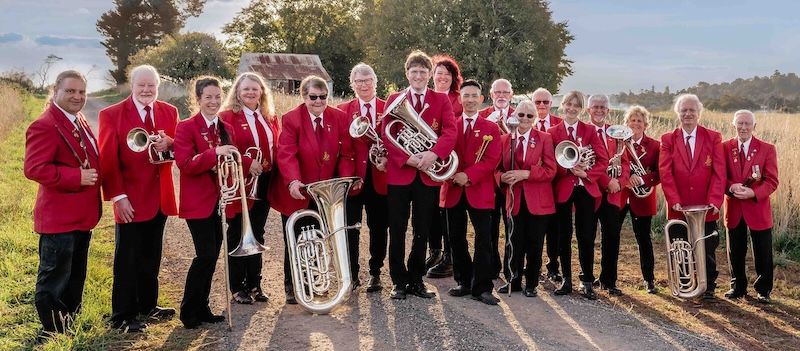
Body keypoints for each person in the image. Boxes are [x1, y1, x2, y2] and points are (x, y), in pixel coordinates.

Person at [98, 65, 178, 332]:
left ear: (158, 86)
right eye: (141, 85)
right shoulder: (111, 114)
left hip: (159, 197)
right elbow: (108, 161)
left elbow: (174, 153)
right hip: (129, 198)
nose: (146, 90)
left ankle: (148, 306)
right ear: (132, 86)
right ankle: (123, 315)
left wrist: (170, 146)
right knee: (127, 258)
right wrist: (118, 197)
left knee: (151, 255)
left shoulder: (170, 111)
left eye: (151, 86)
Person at [24, 70, 101, 337]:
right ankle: (52, 331)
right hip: (59, 218)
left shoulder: (77, 119)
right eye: (70, 91)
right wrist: (76, 176)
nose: (77, 96)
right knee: (54, 279)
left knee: (74, 277)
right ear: (56, 91)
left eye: (81, 92)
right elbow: (34, 168)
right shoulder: (44, 124)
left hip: (82, 216)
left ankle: (69, 324)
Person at [268, 75, 355, 304]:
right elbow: (286, 153)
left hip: (325, 191)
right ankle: (293, 286)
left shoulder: (339, 117)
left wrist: (343, 182)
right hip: (297, 190)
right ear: (304, 96)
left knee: (319, 238)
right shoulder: (291, 119)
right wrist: (293, 181)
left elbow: (346, 154)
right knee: (296, 241)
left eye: (323, 97)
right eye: (313, 97)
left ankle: (316, 282)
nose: (319, 101)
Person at [382, 50, 457, 300]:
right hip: (400, 174)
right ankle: (398, 282)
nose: (418, 76)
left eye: (423, 72)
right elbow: (387, 133)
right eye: (414, 72)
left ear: (429, 75)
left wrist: (434, 154)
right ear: (407, 73)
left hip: (427, 175)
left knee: (422, 229)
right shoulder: (394, 98)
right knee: (398, 229)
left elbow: (450, 131)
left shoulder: (440, 100)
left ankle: (416, 280)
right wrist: (408, 158)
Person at [173, 76, 234, 328]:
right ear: (197, 99)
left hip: (220, 202)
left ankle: (203, 307)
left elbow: (229, 162)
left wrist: (229, 163)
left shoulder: (224, 126)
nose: (214, 101)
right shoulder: (186, 127)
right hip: (198, 203)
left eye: (218, 96)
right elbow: (185, 164)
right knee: (205, 255)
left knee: (212, 257)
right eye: (208, 97)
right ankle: (188, 311)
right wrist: (214, 153)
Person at [219, 72, 280, 304]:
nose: (251, 92)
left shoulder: (270, 116)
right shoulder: (227, 116)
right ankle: (237, 286)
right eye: (246, 89)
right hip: (240, 181)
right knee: (237, 231)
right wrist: (246, 163)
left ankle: (255, 283)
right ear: (237, 91)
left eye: (255, 89)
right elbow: (224, 146)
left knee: (256, 231)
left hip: (265, 179)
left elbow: (277, 145)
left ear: (262, 92)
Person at [440, 80, 502, 305]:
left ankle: (482, 287)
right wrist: (452, 175)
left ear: (481, 99)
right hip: (453, 189)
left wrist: (469, 176)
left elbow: (492, 159)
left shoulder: (491, 128)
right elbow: (442, 155)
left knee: (484, 240)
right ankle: (464, 281)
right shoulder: (450, 126)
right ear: (460, 99)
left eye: (474, 95)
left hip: (480, 190)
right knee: (456, 239)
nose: (470, 100)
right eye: (466, 95)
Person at [659, 93, 725, 300]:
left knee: (707, 249)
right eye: (684, 110)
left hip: (705, 206)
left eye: (692, 110)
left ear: (699, 113)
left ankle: (709, 287)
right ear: (678, 113)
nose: (688, 114)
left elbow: (719, 173)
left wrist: (715, 201)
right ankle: (685, 283)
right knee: (681, 247)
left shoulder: (713, 137)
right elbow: (665, 172)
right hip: (679, 206)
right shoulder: (668, 139)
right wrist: (673, 199)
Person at [547, 90, 609, 300]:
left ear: (581, 109)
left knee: (586, 236)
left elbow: (603, 160)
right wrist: (568, 170)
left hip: (586, 187)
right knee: (563, 235)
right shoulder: (553, 132)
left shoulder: (589, 130)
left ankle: (587, 281)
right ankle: (566, 279)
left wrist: (586, 173)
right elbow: (551, 162)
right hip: (564, 188)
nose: (572, 109)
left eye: (576, 106)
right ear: (562, 105)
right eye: (568, 104)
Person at [496, 101, 557, 297]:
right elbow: (495, 169)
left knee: (534, 243)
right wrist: (501, 177)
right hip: (513, 199)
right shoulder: (505, 139)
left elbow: (551, 170)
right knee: (513, 241)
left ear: (535, 119)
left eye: (529, 116)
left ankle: (531, 283)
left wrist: (526, 174)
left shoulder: (544, 138)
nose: (524, 119)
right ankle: (512, 280)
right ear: (514, 115)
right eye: (521, 114)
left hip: (538, 201)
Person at [337, 63, 388, 292]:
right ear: (352, 84)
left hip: (380, 177)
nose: (364, 85)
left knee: (379, 228)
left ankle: (375, 273)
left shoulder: (388, 108)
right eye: (359, 81)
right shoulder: (342, 110)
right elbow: (342, 149)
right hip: (354, 181)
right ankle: (352, 274)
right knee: (350, 228)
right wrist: (349, 177)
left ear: (375, 82)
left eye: (367, 80)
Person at [722, 110, 778, 303]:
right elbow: (718, 178)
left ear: (754, 126)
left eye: (747, 124)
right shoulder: (724, 148)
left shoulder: (767, 149)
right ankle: (737, 287)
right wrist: (730, 186)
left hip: (758, 208)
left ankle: (763, 290)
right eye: (740, 124)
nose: (743, 127)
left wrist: (754, 193)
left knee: (763, 251)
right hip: (734, 207)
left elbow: (772, 181)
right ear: (734, 125)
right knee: (735, 250)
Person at [426, 54, 464, 278]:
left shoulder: (458, 100)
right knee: (430, 209)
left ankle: (449, 257)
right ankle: (435, 251)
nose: (442, 77)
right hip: (429, 162)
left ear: (453, 78)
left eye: (446, 74)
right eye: (438, 73)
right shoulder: (427, 96)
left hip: (449, 160)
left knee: (446, 209)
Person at [587, 94, 629, 296]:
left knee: (612, 236)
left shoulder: (617, 133)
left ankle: (608, 280)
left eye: (603, 107)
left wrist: (619, 184)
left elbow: (626, 162)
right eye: (595, 107)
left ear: (608, 110)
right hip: (591, 192)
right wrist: (607, 181)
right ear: (588, 110)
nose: (599, 110)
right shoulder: (584, 132)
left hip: (613, 194)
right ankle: (586, 279)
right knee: (586, 237)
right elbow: (588, 163)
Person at [618, 105, 660, 294]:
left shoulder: (654, 145)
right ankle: (608, 278)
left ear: (645, 125)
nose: (635, 124)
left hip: (642, 196)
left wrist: (642, 179)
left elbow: (660, 173)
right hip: (620, 194)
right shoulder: (618, 142)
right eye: (632, 121)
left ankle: (649, 279)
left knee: (644, 239)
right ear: (626, 124)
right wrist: (624, 179)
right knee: (611, 237)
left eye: (639, 121)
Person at [478, 78, 516, 278]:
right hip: (489, 180)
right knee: (489, 226)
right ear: (491, 95)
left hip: (511, 180)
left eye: (505, 92)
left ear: (511, 95)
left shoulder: (519, 116)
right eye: (497, 92)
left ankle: (511, 269)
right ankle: (491, 267)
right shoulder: (482, 115)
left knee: (511, 226)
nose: (501, 96)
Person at [530, 87, 563, 282]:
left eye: (546, 102)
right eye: (538, 102)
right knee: (533, 229)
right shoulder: (525, 122)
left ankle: (553, 265)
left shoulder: (559, 125)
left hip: (554, 185)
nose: (541, 105)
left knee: (554, 228)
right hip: (532, 185)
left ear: (552, 104)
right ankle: (532, 264)